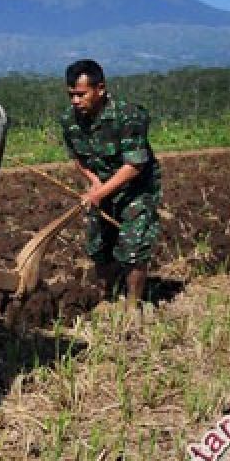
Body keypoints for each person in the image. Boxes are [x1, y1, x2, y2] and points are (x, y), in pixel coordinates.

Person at [60, 59, 162, 315]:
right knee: (98, 245)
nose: (75, 101)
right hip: (102, 188)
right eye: (71, 95)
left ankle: (132, 304)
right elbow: (78, 160)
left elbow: (134, 166)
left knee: (133, 248)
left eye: (81, 94)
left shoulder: (128, 116)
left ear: (101, 89)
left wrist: (99, 193)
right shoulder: (69, 121)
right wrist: (94, 181)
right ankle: (107, 298)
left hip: (135, 189)